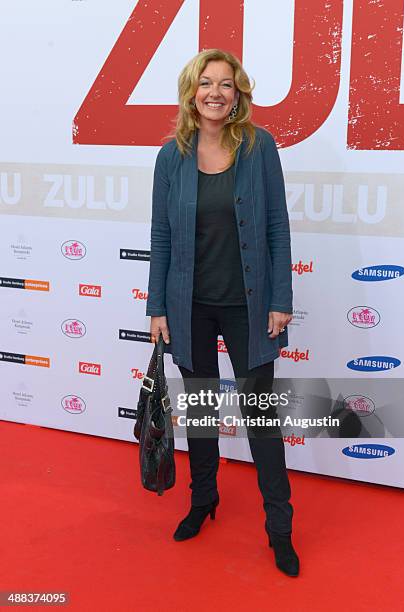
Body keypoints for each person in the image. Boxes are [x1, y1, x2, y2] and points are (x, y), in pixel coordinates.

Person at [146, 49, 299, 577]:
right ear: (192, 92)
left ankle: (280, 529)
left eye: (226, 84)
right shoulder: (171, 156)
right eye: (206, 83)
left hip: (249, 307)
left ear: (239, 95)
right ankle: (203, 500)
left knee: (260, 421)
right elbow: (161, 237)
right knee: (204, 415)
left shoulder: (260, 148)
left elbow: (277, 226)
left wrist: (281, 299)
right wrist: (157, 305)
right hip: (189, 305)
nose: (216, 92)